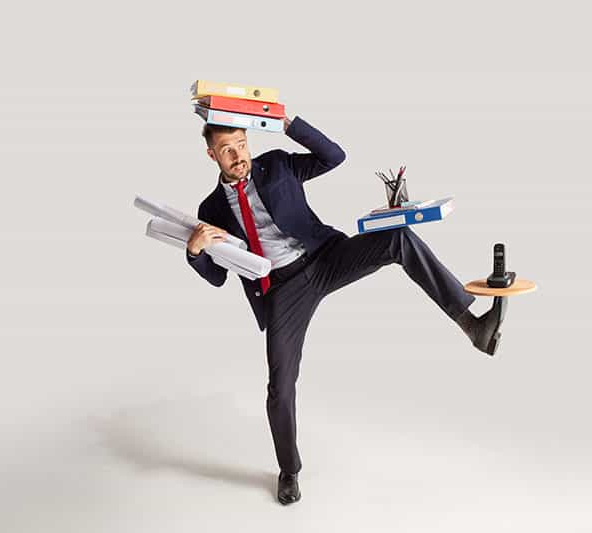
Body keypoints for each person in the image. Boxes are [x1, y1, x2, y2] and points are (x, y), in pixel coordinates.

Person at [185, 113, 506, 505]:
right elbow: (217, 276)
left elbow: (333, 156)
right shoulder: (211, 209)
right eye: (226, 150)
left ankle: (472, 326)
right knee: (279, 388)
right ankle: (289, 471)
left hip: (325, 257)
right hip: (283, 290)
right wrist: (195, 251)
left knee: (396, 238)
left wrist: (287, 123)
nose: (237, 155)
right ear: (211, 154)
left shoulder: (279, 164)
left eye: (241, 144)